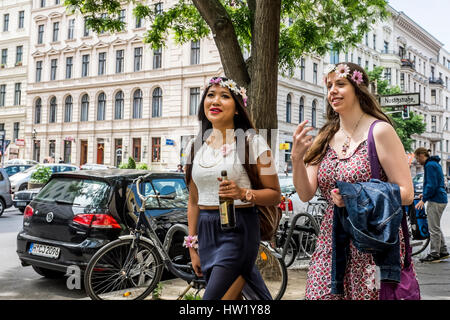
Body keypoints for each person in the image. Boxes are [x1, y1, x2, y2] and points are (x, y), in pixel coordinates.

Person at [291, 62, 415, 300]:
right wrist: (297, 158)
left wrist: (354, 195)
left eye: (340, 84)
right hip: (332, 239)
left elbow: (407, 192)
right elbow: (306, 193)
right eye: (329, 86)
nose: (332, 91)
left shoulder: (379, 131)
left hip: (372, 240)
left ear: (358, 88)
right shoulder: (325, 137)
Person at [184, 76, 280, 300]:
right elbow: (193, 201)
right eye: (210, 95)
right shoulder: (193, 146)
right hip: (206, 234)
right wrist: (192, 246)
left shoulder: (254, 143)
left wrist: (243, 194)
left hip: (238, 230)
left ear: (237, 108)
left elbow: (275, 195)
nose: (215, 101)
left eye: (224, 96)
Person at [414, 148, 449, 262]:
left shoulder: (430, 166)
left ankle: (434, 254)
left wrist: (424, 199)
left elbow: (431, 185)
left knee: (433, 228)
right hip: (439, 198)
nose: (417, 160)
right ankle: (443, 251)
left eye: (417, 157)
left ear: (421, 155)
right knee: (436, 227)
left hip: (436, 200)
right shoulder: (434, 164)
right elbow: (432, 184)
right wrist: (423, 195)